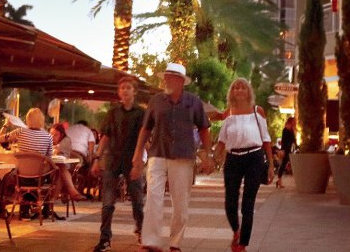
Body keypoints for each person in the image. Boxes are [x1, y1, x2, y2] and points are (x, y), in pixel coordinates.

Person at [131, 62, 210, 252]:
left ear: (181, 81)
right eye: (165, 76)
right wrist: (137, 155)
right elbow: (146, 128)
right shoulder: (156, 100)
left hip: (183, 157)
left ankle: (175, 243)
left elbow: (204, 128)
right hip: (157, 154)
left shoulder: (194, 102)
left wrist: (207, 155)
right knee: (153, 198)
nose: (166, 80)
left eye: (170, 77)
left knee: (181, 203)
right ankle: (150, 241)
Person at [212, 78, 274, 252]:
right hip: (233, 159)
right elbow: (222, 142)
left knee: (248, 204)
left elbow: (266, 139)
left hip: (254, 158)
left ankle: (242, 244)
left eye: (243, 87)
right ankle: (236, 231)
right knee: (230, 201)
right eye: (236, 88)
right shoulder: (228, 114)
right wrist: (212, 158)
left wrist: (270, 165)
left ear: (249, 92)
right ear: (232, 92)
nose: (239, 90)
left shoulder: (257, 111)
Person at [92, 76, 146, 252]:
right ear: (119, 92)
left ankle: (141, 230)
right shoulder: (112, 113)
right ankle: (105, 239)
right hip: (112, 160)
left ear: (134, 92)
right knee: (107, 203)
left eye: (128, 87)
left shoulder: (141, 113)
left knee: (137, 200)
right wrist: (96, 158)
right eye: (122, 87)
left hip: (132, 160)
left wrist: (140, 162)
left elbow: (144, 138)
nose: (125, 90)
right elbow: (105, 137)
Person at [7, 108, 83, 210]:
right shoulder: (48, 137)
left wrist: (6, 126)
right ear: (41, 120)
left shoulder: (20, 132)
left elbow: (0, 138)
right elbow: (49, 157)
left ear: (27, 119)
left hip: (20, 175)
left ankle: (26, 208)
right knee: (58, 172)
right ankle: (48, 207)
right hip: (39, 176)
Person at [275, 116, 296, 188]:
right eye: (293, 121)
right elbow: (283, 141)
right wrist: (282, 149)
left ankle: (279, 181)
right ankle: (279, 180)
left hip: (289, 149)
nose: (295, 122)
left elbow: (294, 140)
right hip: (285, 150)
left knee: (285, 165)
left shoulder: (291, 130)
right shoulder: (285, 130)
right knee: (283, 165)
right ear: (290, 121)